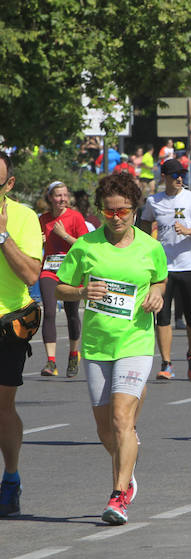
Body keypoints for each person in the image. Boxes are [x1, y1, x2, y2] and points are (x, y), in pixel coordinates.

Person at [56, 172, 167, 525]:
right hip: (97, 344)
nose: (116, 218)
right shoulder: (86, 246)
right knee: (107, 430)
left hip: (135, 341)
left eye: (123, 212)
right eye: (109, 212)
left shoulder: (150, 247)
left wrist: (157, 294)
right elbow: (60, 287)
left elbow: (160, 279)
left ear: (135, 209)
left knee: (122, 418)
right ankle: (128, 465)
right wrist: (81, 292)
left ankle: (119, 495)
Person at [140, 158, 191, 380]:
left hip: (190, 266)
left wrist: (189, 231)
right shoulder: (153, 201)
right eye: (174, 175)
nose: (179, 178)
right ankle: (166, 363)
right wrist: (147, 246)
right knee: (162, 315)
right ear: (164, 177)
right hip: (163, 268)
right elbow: (143, 226)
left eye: (181, 174)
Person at [0, 154, 42, 517]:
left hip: (7, 325)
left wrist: (2, 235)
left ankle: (10, 477)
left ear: (9, 184)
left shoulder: (25, 218)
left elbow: (31, 275)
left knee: (2, 409)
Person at [37, 181, 89, 377]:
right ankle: (50, 362)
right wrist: (38, 240)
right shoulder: (43, 219)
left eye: (65, 195)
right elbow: (33, 242)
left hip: (71, 272)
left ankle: (73, 354)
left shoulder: (75, 217)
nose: (62, 199)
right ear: (50, 198)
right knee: (49, 312)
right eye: (58, 195)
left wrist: (64, 235)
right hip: (49, 270)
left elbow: (85, 247)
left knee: (72, 313)